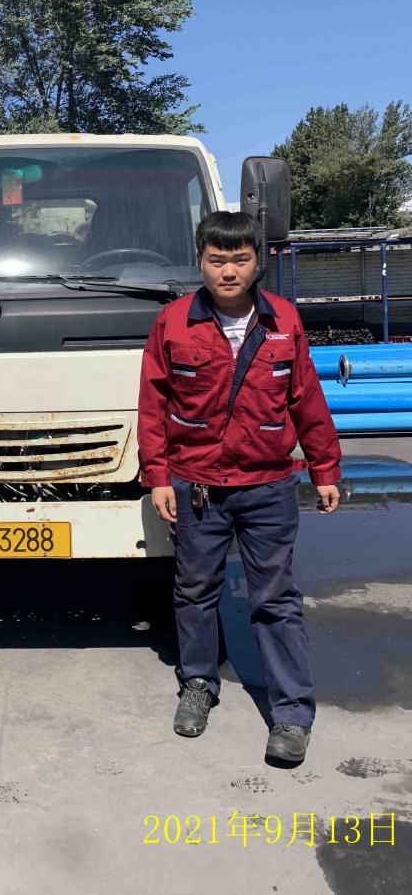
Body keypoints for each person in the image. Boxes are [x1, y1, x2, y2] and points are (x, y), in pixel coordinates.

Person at [137, 211, 340, 763]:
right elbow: (153, 406)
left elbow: (306, 398)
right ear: (199, 261)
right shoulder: (173, 322)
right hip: (197, 485)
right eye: (217, 260)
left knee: (274, 598)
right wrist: (158, 476)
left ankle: (291, 712)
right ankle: (198, 683)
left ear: (258, 262)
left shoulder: (284, 320)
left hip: (267, 485)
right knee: (194, 591)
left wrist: (324, 468)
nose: (228, 271)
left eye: (240, 259)